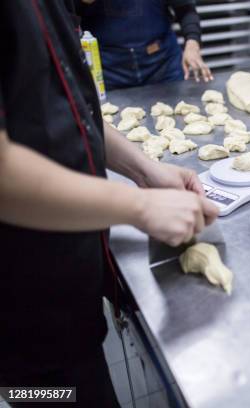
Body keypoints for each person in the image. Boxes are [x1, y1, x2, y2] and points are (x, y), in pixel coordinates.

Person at [0, 2, 218, 406]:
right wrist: (137, 206)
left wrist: (144, 169)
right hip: (22, 309)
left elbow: (66, 106)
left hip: (68, 290)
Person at [77, 0, 213, 89]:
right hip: (109, 70)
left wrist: (192, 44)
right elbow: (66, 19)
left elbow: (185, 9)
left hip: (163, 63)